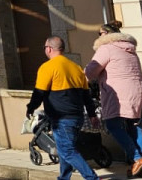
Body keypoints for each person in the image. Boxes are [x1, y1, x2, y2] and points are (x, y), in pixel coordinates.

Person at [85, 21, 142, 178]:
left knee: (112, 125)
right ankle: (140, 168)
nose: (99, 36)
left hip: (118, 94)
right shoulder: (130, 48)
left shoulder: (106, 48)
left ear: (107, 34)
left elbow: (90, 71)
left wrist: (77, 79)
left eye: (100, 33)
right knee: (136, 129)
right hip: (138, 92)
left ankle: (137, 159)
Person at [26, 36, 100, 180]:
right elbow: (86, 95)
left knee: (67, 150)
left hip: (62, 118)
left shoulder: (47, 67)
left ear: (49, 49)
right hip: (78, 117)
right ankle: (64, 177)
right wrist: (92, 114)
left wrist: (31, 107)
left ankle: (92, 178)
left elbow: (39, 92)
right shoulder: (76, 68)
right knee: (63, 148)